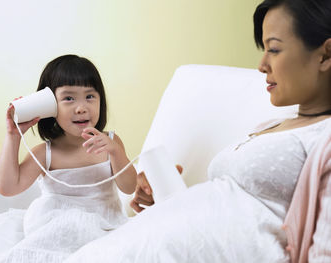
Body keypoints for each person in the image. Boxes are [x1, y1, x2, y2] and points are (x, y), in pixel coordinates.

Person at [63, 0, 331, 262]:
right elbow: (230, 207)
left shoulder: (324, 139)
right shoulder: (270, 127)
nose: (261, 65)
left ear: (326, 55)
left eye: (273, 49)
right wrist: (169, 201)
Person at [0, 54, 137, 263]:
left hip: (104, 223)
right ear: (49, 106)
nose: (81, 107)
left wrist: (116, 153)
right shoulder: (45, 153)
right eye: (69, 98)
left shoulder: (110, 142)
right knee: (68, 232)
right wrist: (13, 136)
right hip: (55, 226)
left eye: (90, 96)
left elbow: (129, 187)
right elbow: (8, 187)